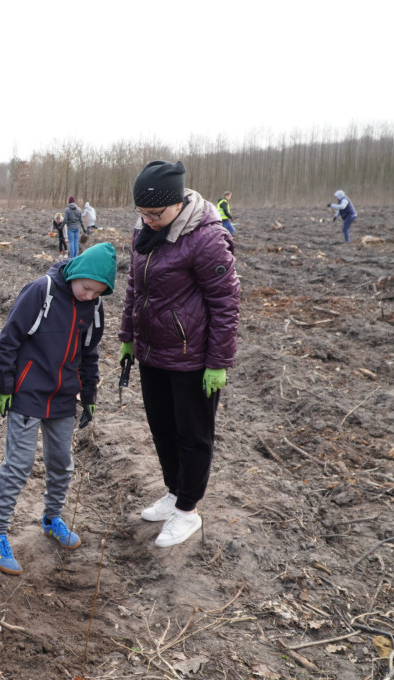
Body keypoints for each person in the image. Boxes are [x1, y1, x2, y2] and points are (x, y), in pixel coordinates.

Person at [120, 161, 240, 548]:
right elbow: (134, 290)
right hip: (153, 351)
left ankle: (187, 511)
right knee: (162, 428)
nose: (149, 220)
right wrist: (127, 336)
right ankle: (173, 492)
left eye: (157, 213)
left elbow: (226, 302)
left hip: (193, 357)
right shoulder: (144, 231)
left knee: (193, 435)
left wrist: (218, 362)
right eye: (143, 213)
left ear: (178, 203)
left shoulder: (206, 238)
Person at [0, 242, 117, 575]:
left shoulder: (93, 308)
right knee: (19, 464)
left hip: (63, 397)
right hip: (27, 392)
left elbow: (90, 356)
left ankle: (52, 518)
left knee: (61, 463)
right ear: (77, 274)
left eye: (97, 293)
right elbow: (8, 340)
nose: (88, 296)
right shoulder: (41, 291)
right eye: (86, 288)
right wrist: (4, 384)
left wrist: (90, 396)